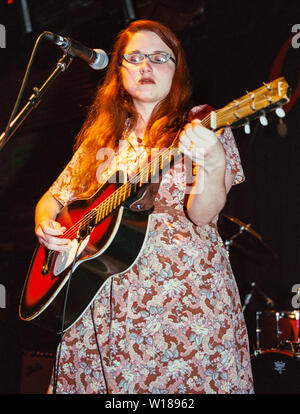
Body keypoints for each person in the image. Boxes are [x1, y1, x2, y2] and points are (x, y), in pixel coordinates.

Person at [34, 19, 254, 394]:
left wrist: (214, 160)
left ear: (176, 69)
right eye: (133, 58)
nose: (146, 66)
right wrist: (45, 225)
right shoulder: (100, 140)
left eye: (159, 57)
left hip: (182, 298)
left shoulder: (202, 124)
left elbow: (202, 215)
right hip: (99, 300)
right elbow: (53, 199)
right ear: (118, 72)